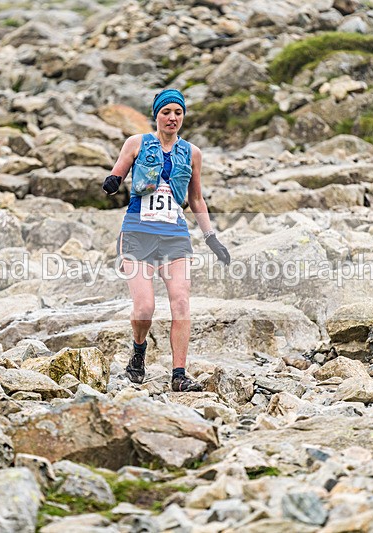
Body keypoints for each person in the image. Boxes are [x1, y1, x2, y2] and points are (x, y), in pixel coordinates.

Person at [102, 88, 230, 392]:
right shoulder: (136, 143)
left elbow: (196, 199)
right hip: (137, 233)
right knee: (144, 308)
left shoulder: (193, 153)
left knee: (181, 301)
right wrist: (113, 182)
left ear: (183, 116)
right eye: (166, 112)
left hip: (174, 236)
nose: (172, 118)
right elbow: (116, 174)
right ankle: (139, 350)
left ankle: (179, 374)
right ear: (156, 115)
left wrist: (211, 238)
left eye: (178, 113)